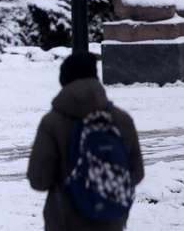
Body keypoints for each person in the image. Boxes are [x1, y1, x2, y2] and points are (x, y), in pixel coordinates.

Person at [27, 53, 145, 231]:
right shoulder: (122, 120)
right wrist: (104, 187)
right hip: (111, 222)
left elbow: (39, 180)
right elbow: (137, 173)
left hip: (65, 223)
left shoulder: (52, 123)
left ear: (64, 81)